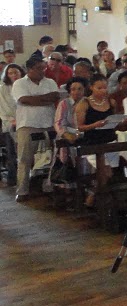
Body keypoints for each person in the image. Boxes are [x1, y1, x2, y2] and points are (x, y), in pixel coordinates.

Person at [11, 57, 60, 202]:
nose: (42, 71)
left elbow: (55, 96)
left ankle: (48, 185)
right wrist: (44, 99)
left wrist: (35, 99)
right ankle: (22, 190)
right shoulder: (19, 83)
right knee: (25, 159)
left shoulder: (50, 82)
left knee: (52, 157)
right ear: (29, 69)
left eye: (44, 68)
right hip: (28, 124)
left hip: (49, 123)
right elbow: (24, 100)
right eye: (39, 68)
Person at [0, 63, 24, 186]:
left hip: (25, 120)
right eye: (10, 73)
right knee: (11, 151)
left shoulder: (25, 85)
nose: (14, 75)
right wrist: (12, 120)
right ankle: (12, 178)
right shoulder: (3, 88)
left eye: (16, 72)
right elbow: (3, 108)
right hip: (9, 122)